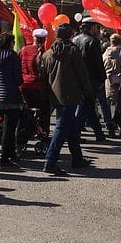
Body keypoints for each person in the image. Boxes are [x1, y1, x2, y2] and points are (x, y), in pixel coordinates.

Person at [38, 24, 92, 175]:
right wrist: (89, 93)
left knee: (71, 127)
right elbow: (82, 75)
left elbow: (42, 75)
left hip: (54, 94)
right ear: (69, 35)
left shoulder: (48, 53)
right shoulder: (73, 51)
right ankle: (50, 161)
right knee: (61, 129)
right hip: (71, 94)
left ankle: (77, 159)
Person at [0, 33, 23, 169]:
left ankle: (11, 154)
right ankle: (4, 158)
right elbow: (18, 79)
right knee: (9, 128)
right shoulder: (12, 56)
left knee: (4, 125)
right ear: (10, 43)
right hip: (10, 95)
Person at [72, 18, 111, 142]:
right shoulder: (92, 41)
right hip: (91, 79)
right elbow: (98, 63)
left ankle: (99, 133)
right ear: (91, 27)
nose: (98, 30)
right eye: (96, 27)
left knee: (89, 107)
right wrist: (101, 79)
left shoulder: (75, 40)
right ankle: (75, 133)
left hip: (78, 79)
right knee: (85, 106)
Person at [19, 29, 50, 134]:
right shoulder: (45, 53)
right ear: (45, 40)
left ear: (33, 38)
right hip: (39, 86)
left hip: (24, 85)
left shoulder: (24, 50)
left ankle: (27, 132)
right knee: (44, 111)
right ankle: (43, 132)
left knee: (27, 111)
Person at [103, 34, 121, 136]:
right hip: (120, 79)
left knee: (110, 102)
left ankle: (110, 126)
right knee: (120, 104)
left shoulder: (105, 53)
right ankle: (120, 125)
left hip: (108, 79)